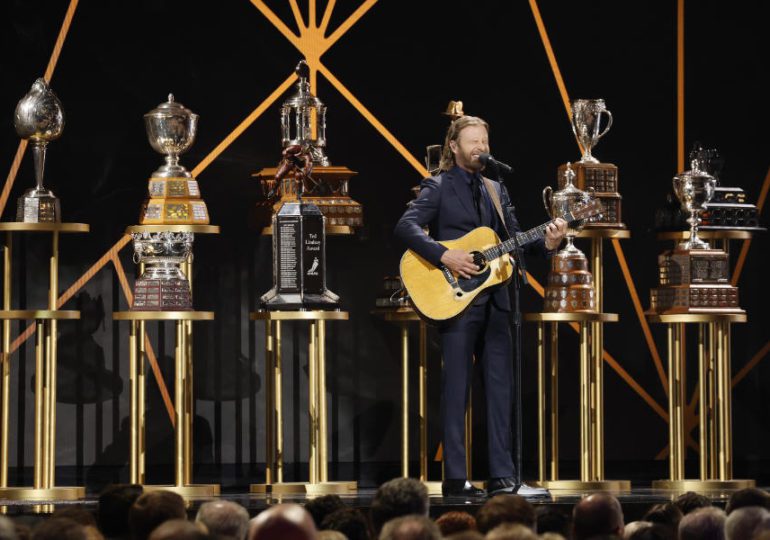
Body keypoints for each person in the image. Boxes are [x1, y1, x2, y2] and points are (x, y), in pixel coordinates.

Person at [394, 115, 566, 496]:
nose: (480, 148)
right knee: (457, 389)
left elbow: (516, 240)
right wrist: (446, 257)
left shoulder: (495, 188)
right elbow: (405, 227)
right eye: (472, 141)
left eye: (484, 142)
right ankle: (456, 479)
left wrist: (549, 243)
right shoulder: (438, 186)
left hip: (498, 300)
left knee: (500, 389)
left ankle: (504, 477)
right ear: (453, 147)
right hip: (455, 300)